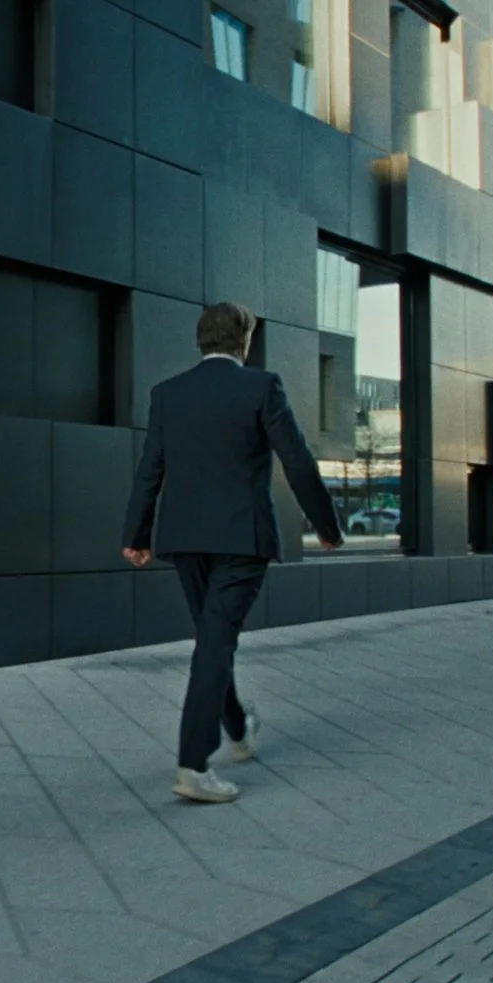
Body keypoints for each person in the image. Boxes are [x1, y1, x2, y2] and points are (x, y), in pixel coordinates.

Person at [119, 301, 345, 805]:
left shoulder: (168, 393)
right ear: (245, 340)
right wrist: (326, 525)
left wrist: (136, 534)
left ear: (201, 340)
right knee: (215, 644)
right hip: (242, 538)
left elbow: (151, 467)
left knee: (212, 640)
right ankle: (194, 764)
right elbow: (297, 461)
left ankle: (238, 729)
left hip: (184, 539)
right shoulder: (261, 387)